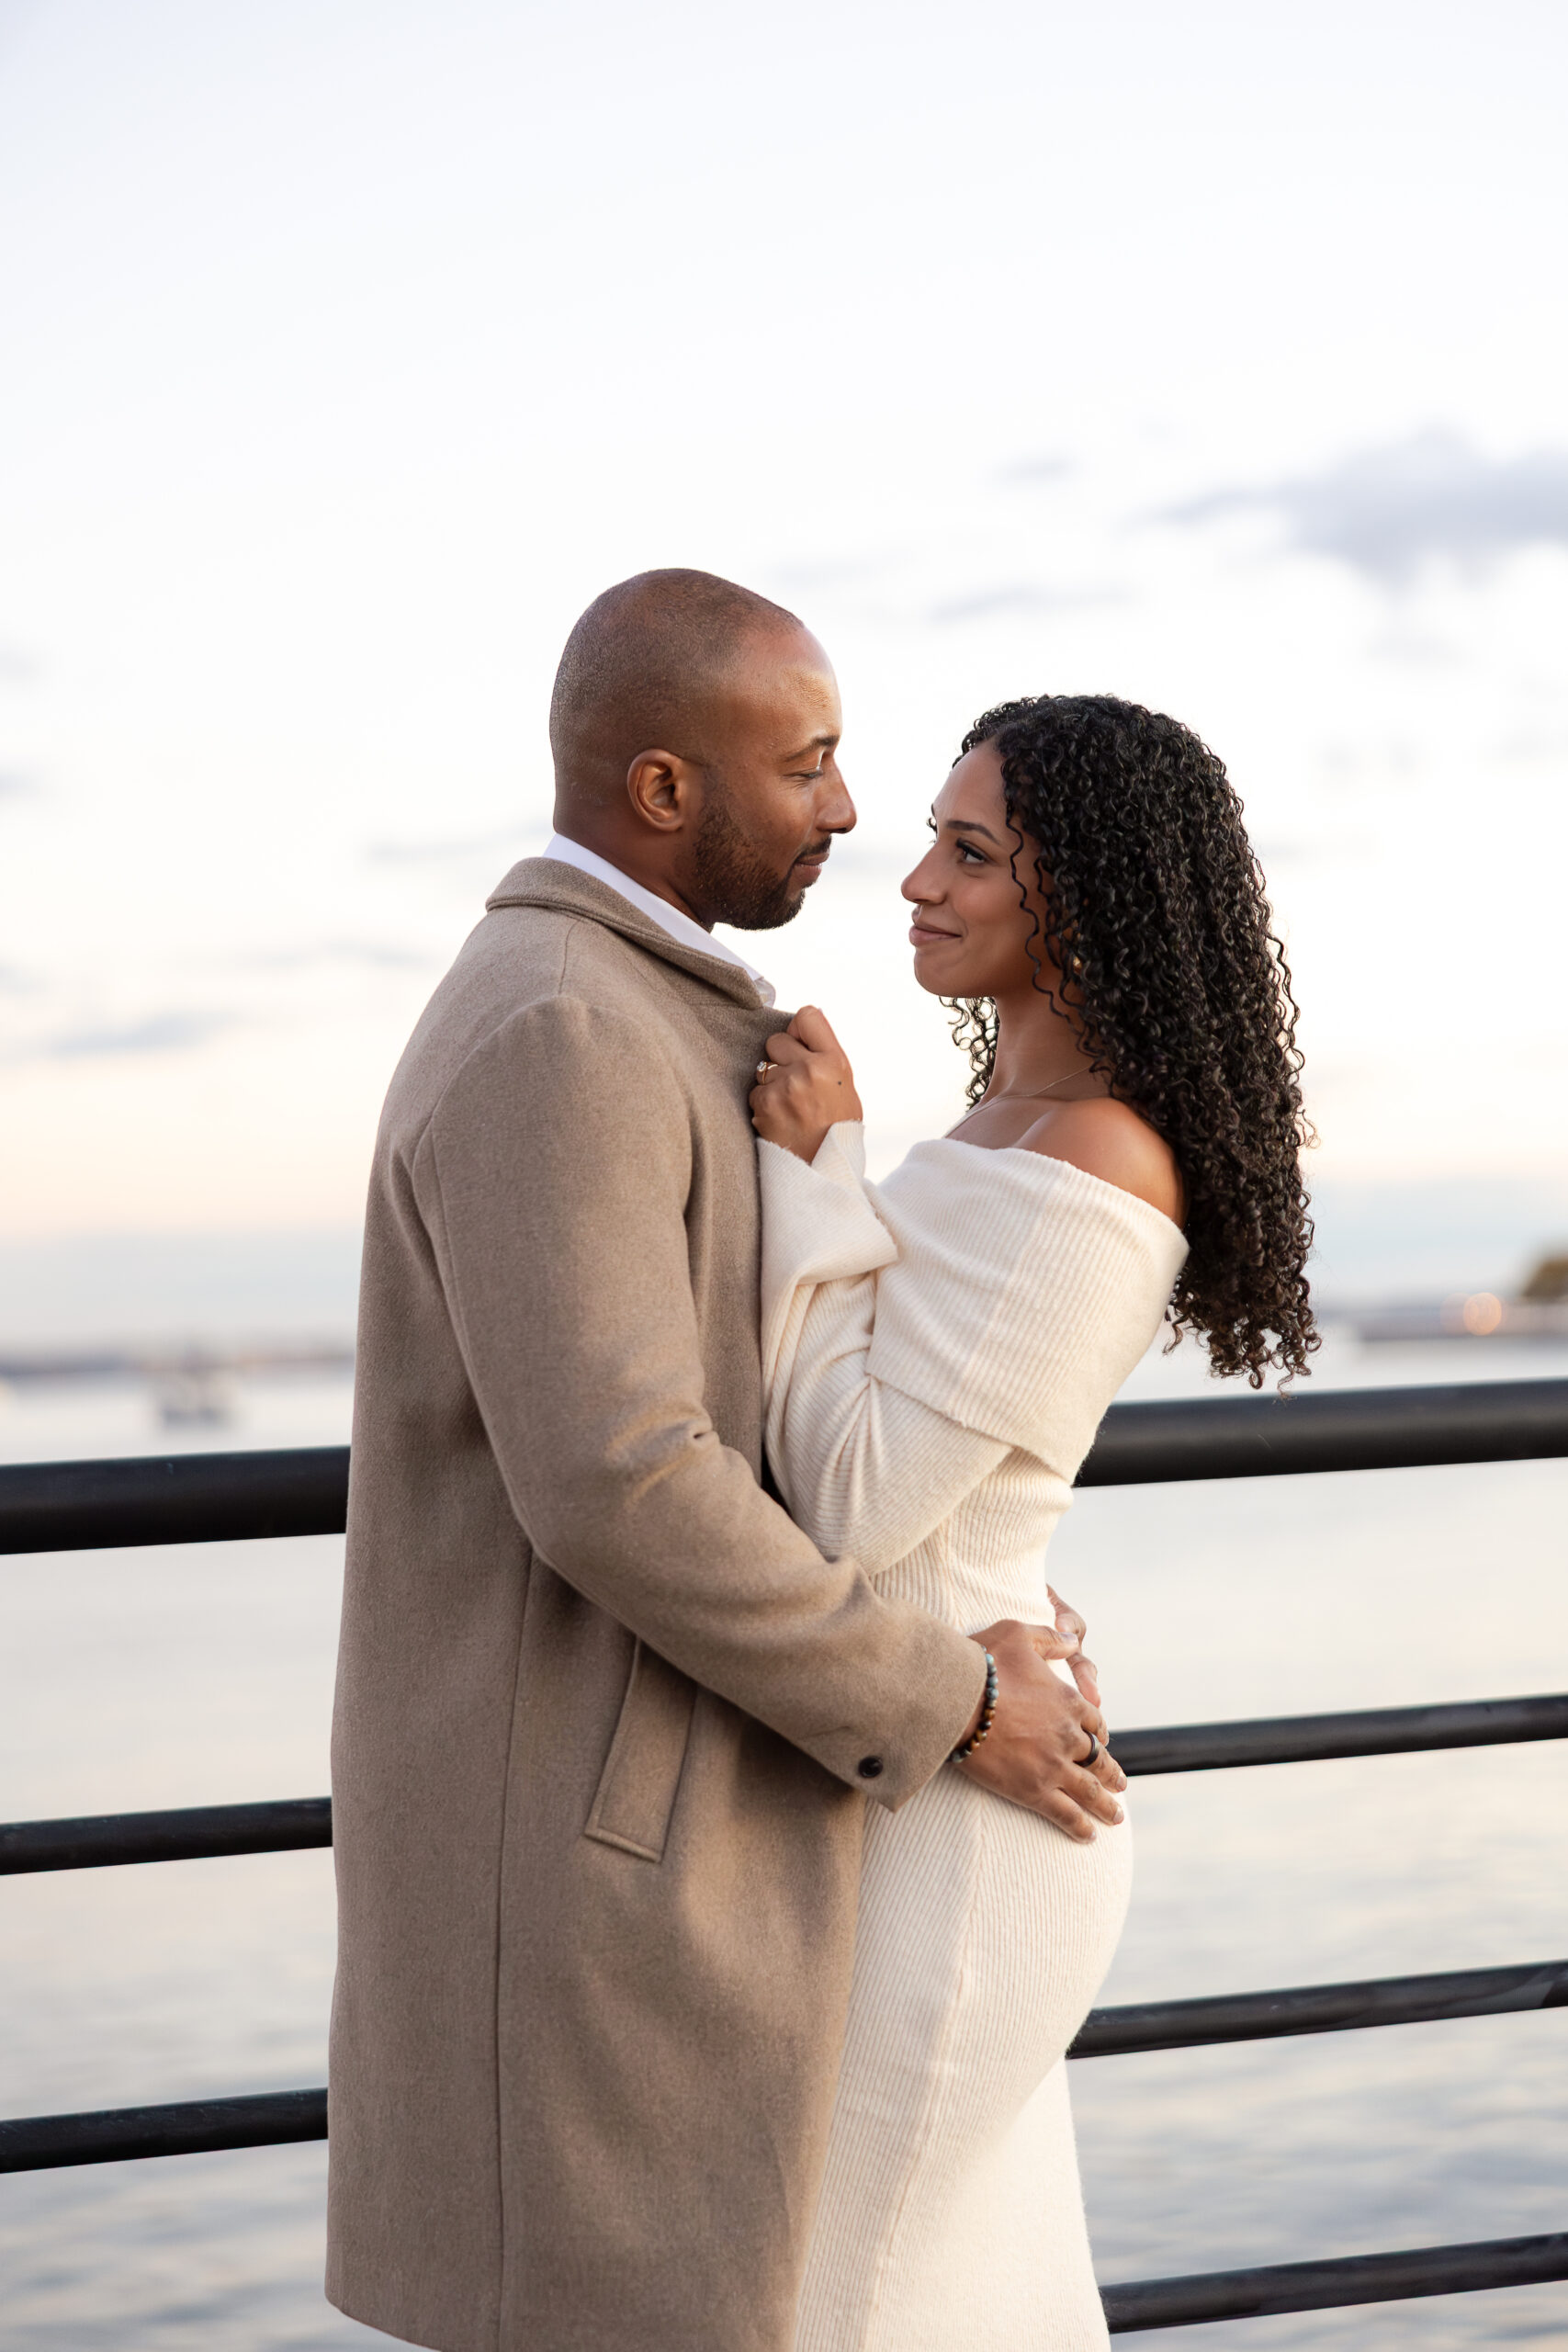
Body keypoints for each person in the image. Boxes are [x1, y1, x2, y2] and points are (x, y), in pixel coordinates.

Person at [325, 578, 1122, 2352]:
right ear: (668, 790)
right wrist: (945, 1691)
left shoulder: (636, 1006)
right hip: (604, 1877)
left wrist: (976, 1576)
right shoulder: (562, 1025)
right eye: (814, 762)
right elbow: (620, 1475)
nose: (850, 811)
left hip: (689, 1836)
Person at [750, 693, 1316, 2350]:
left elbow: (851, 1498)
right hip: (930, 1758)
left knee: (832, 2309)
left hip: (963, 1833)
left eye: (970, 849)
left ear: (1089, 894)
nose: (914, 876)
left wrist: (822, 1167)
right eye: (932, 836)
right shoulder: (1013, 1135)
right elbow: (961, 1466)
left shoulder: (1089, 1161)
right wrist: (1013, 1595)